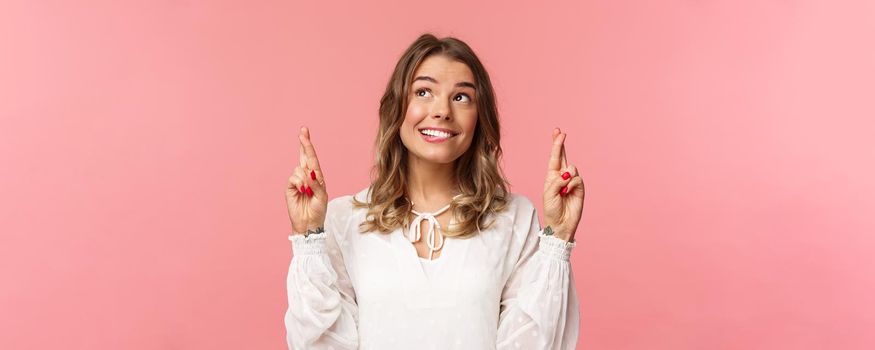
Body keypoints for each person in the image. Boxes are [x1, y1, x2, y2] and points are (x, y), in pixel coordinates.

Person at [283, 33, 585, 350]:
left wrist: (558, 236)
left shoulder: (514, 218)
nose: (441, 110)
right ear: (397, 106)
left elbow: (534, 343)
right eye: (424, 92)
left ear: (479, 118)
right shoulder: (344, 219)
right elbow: (320, 344)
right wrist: (307, 235)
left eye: (461, 97)